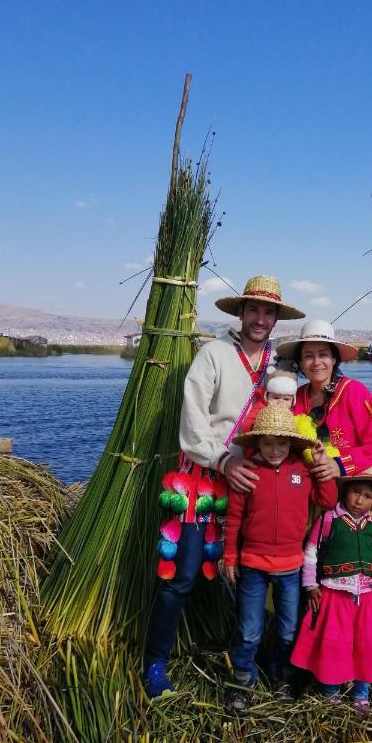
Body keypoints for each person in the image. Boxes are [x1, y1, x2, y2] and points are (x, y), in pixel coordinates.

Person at [143, 275, 305, 700]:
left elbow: (294, 420)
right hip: (204, 476)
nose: (260, 318)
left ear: (275, 319)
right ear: (240, 312)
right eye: (253, 309)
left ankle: (261, 658)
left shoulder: (279, 368)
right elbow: (193, 420)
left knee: (261, 567)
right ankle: (155, 661)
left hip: (253, 481)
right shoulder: (213, 355)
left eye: (268, 312)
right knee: (184, 572)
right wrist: (223, 459)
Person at [276, 320, 372, 618]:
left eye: (323, 354)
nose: (316, 362)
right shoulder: (297, 398)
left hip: (360, 499)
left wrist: (339, 464)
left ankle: (368, 631)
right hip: (317, 498)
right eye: (309, 355)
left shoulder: (354, 392)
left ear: (334, 358)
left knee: (361, 576)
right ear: (300, 362)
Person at [223, 403, 338, 714]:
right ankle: (242, 682)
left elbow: (327, 500)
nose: (275, 450)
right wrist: (230, 556)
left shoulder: (301, 471)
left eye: (282, 443)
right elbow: (234, 519)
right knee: (249, 629)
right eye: (268, 443)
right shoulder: (248, 472)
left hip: (290, 566)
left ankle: (282, 676)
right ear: (258, 443)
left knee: (288, 629)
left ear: (291, 443)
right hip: (253, 564)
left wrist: (320, 465)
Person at [290, 468, 372, 716]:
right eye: (355, 493)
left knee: (368, 645)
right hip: (334, 596)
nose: (360, 500)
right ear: (345, 492)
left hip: (367, 597)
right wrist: (311, 586)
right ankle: (331, 693)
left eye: (368, 496)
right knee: (334, 646)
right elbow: (311, 554)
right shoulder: (329, 520)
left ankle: (361, 694)